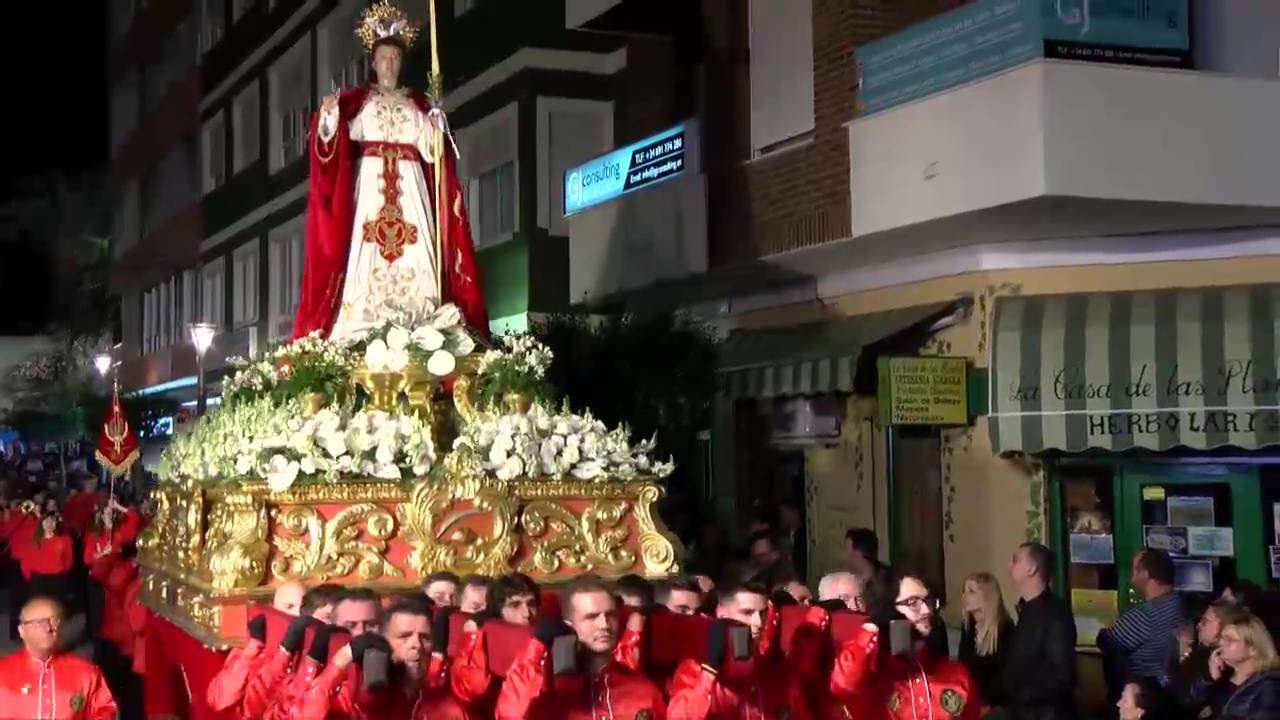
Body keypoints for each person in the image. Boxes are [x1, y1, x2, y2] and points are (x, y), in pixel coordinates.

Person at [294, 0, 487, 341]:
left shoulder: (416, 105)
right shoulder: (361, 103)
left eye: (395, 59)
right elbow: (334, 143)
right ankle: (362, 323)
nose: (389, 64)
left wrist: (437, 128)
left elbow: (432, 153)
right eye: (383, 58)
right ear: (373, 63)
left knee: (418, 252)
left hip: (410, 189)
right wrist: (328, 117)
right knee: (364, 252)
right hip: (371, 188)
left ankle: (423, 320)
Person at [496, 575, 666, 720]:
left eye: (610, 615)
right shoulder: (549, 689)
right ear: (569, 625)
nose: (604, 624)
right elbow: (509, 715)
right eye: (591, 617)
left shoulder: (644, 689)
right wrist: (537, 647)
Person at [829, 571, 980, 720]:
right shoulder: (874, 675)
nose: (927, 610)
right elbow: (843, 685)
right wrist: (873, 626)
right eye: (913, 602)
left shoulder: (955, 673)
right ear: (889, 610)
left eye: (927, 601)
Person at [300, 599, 469, 719]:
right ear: (384, 642)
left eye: (424, 637)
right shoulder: (356, 698)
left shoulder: (448, 709)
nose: (416, 645)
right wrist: (342, 659)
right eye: (404, 636)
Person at [666, 580, 811, 719]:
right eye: (747, 613)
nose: (758, 623)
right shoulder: (692, 672)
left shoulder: (780, 675)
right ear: (721, 615)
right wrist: (709, 673)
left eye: (762, 613)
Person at [997, 542, 1077, 720]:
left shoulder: (1055, 615)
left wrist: (1019, 696)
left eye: (1016, 561)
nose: (1009, 566)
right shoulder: (1027, 611)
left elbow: (1062, 675)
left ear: (1032, 569)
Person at [0, 596, 117, 718]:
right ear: (21, 631)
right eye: (39, 623)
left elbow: (104, 712)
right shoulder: (2, 672)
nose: (48, 628)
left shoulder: (86, 673)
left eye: (53, 621)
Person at [206, 580, 308, 714]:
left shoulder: (316, 642)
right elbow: (217, 700)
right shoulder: (253, 645)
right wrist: (252, 651)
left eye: (304, 608)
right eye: (289, 607)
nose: (297, 614)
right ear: (274, 609)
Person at [1098, 549, 1186, 693]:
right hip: (1168, 691)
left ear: (1145, 575)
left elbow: (1107, 641)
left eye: (1133, 570)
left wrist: (1106, 630)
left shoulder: (1145, 615)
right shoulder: (1179, 603)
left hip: (1141, 694)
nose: (1131, 577)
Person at [1170, 599, 1248, 717]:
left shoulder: (1217, 659)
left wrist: (1183, 655)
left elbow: (1186, 700)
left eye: (1205, 621)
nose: (1199, 625)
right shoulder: (1203, 652)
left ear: (1223, 624)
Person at [1203, 613, 1280, 718]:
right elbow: (1191, 707)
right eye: (1221, 638)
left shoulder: (1269, 686)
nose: (1221, 643)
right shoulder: (1224, 677)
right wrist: (1211, 680)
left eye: (1229, 639)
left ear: (1253, 649)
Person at [958, 571, 1015, 710]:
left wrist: (986, 704)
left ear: (987, 596)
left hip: (998, 706)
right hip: (971, 702)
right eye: (964, 591)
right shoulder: (968, 628)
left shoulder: (1005, 630)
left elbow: (1007, 679)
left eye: (971, 591)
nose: (964, 596)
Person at [19, 511, 74, 603]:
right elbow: (26, 562)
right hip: (38, 580)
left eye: (52, 521)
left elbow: (68, 559)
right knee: (39, 607)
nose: (49, 524)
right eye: (46, 521)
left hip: (57, 578)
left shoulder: (64, 540)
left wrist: (62, 571)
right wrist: (31, 577)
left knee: (56, 607)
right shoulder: (34, 541)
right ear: (42, 523)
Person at [844, 527, 892, 605]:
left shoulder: (883, 586)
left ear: (858, 553)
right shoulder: (856, 582)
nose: (845, 555)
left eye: (847, 549)